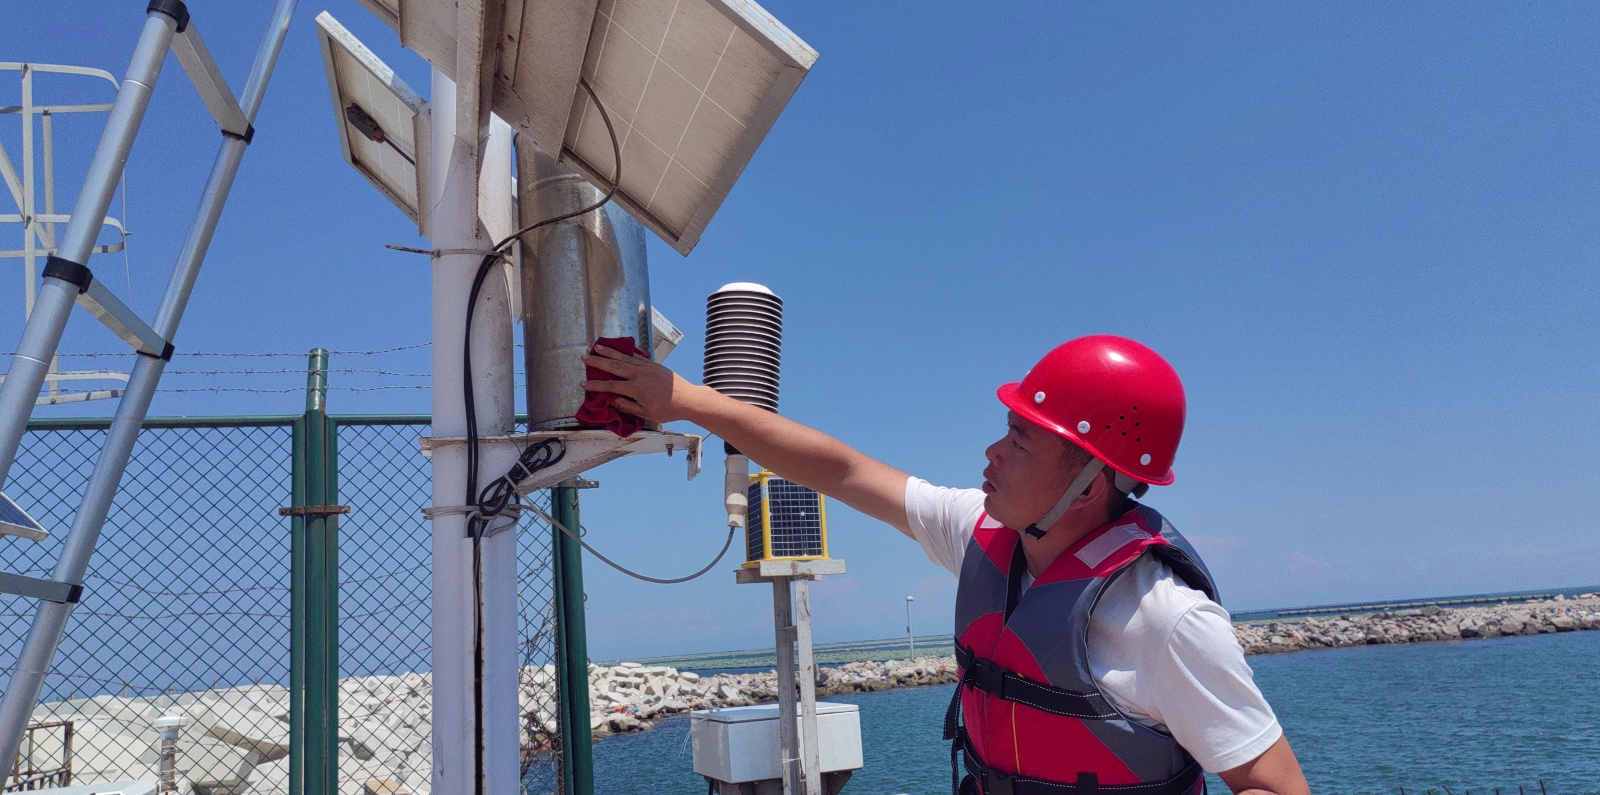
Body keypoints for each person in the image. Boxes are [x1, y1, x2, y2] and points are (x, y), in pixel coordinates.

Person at [581, 334, 1310, 795]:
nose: (993, 453)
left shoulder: (1166, 619)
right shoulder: (979, 531)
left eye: (1021, 439)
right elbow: (843, 469)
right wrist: (687, 401)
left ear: (1090, 480)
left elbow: (1275, 784)